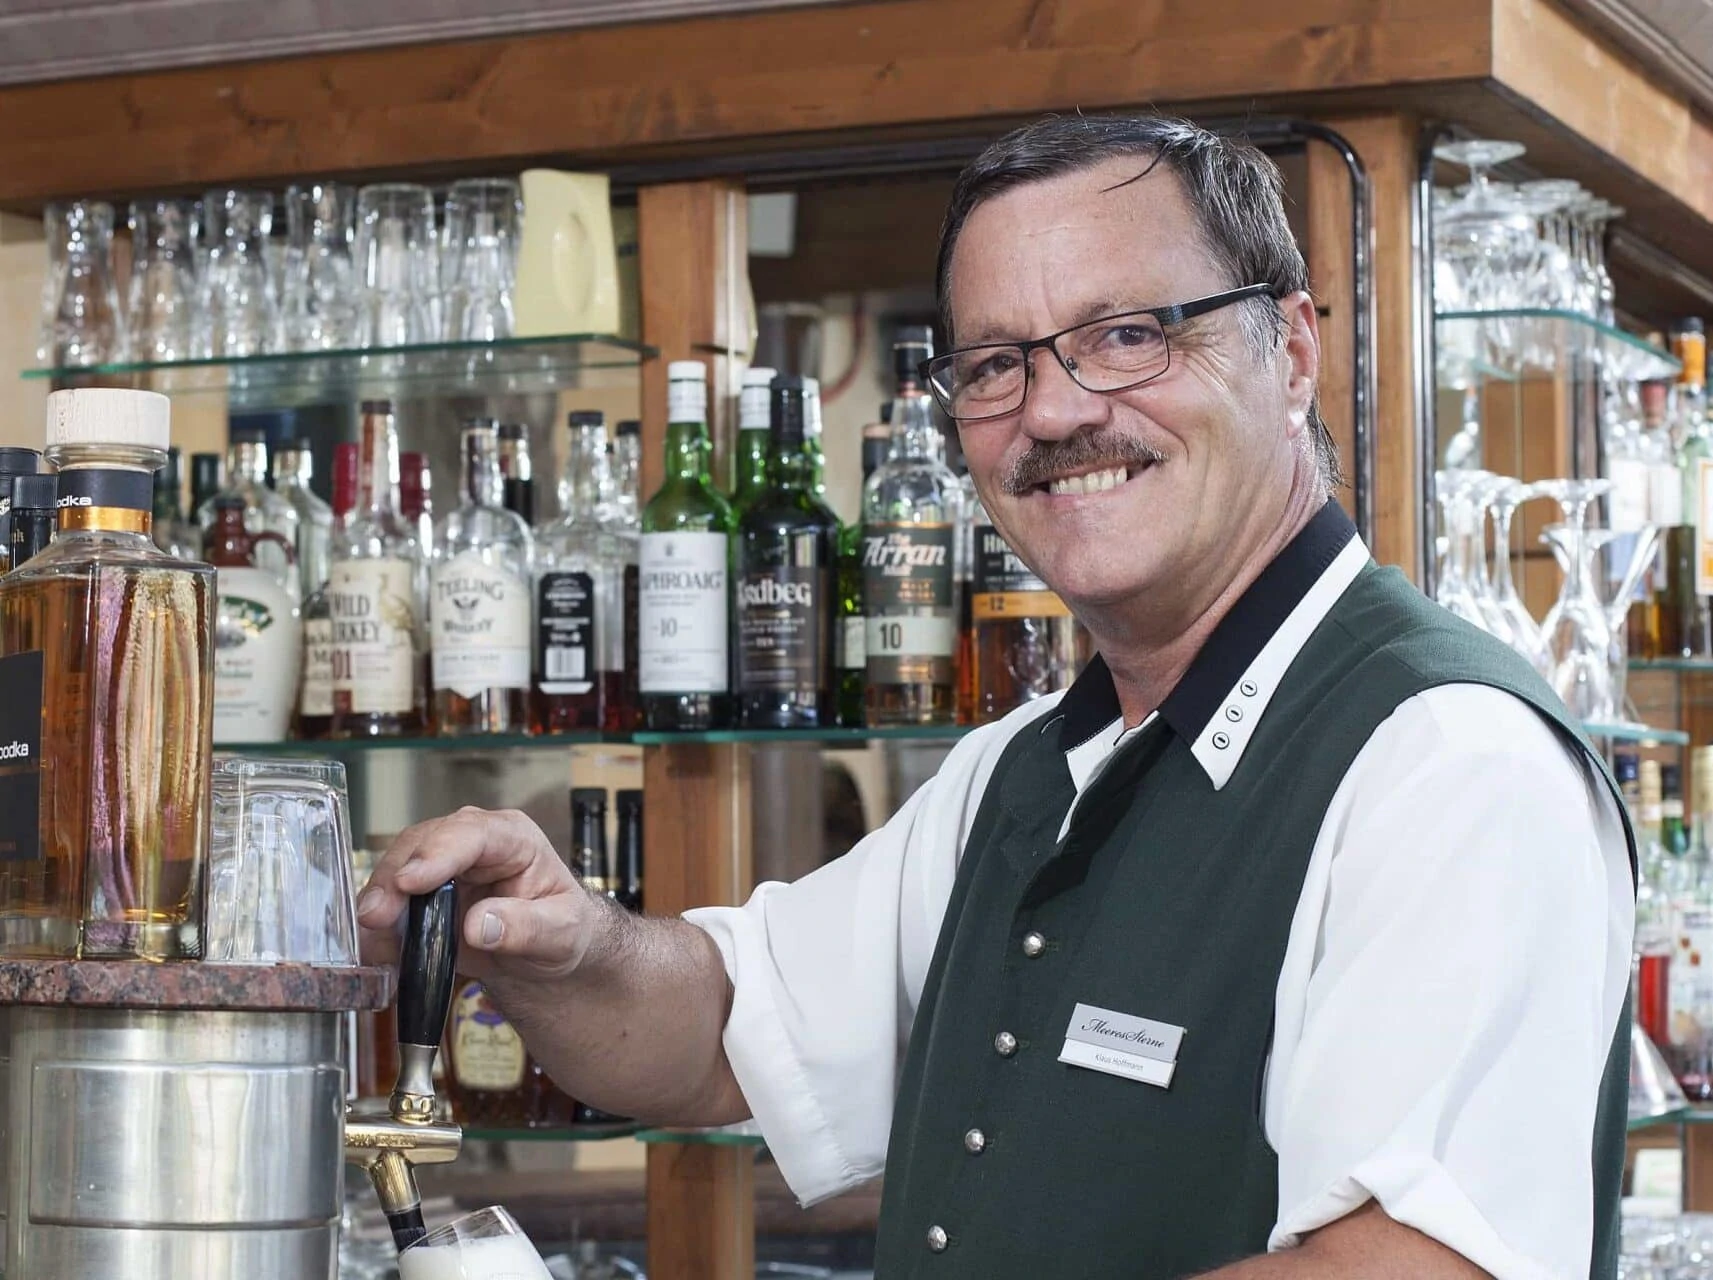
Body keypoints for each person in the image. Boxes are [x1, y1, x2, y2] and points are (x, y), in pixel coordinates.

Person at [360, 113, 1634, 1278]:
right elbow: (722, 1031)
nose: (1057, 411)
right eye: (993, 364)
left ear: (1291, 351)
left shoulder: (1451, 761)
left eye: (1128, 334)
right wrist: (561, 939)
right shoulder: (1021, 769)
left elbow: (1407, 1269)